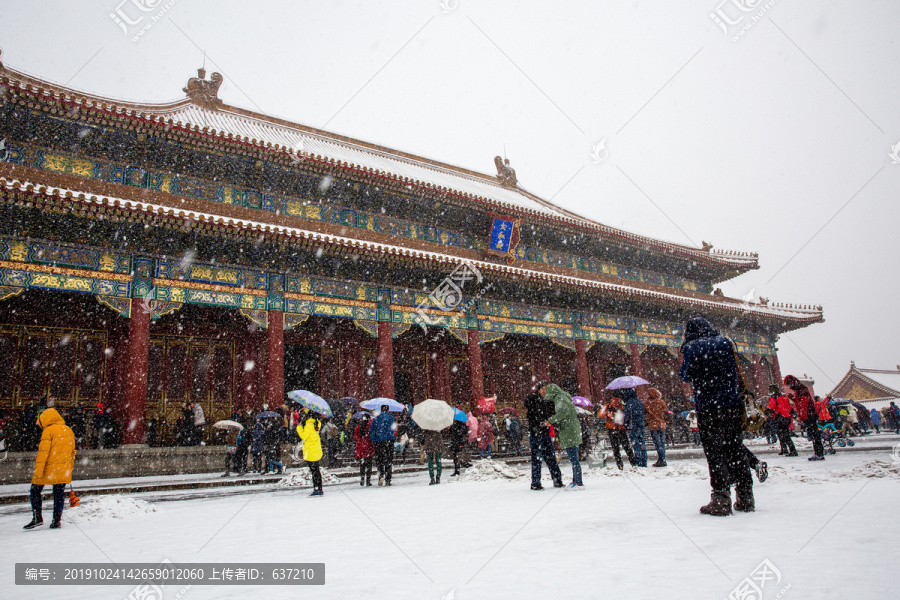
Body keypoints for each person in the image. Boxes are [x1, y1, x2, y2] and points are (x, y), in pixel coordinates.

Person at [679, 316, 754, 516]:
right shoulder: (726, 341)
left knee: (715, 452)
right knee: (736, 448)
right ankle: (746, 496)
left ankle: (721, 498)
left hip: (708, 407)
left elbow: (685, 375)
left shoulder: (691, 347)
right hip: (732, 404)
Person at [24, 408, 76, 530]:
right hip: (63, 468)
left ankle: (37, 517)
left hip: (48, 468)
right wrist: (70, 466)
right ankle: (56, 520)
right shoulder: (68, 430)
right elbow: (73, 452)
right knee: (59, 493)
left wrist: (38, 472)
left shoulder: (48, 431)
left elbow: (43, 454)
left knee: (35, 490)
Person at [524, 382, 563, 490]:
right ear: (539, 390)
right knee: (537, 458)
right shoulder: (533, 399)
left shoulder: (548, 401)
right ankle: (536, 482)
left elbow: (552, 413)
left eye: (546, 389)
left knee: (551, 457)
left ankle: (557, 480)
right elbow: (527, 404)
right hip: (535, 432)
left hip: (545, 432)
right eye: (543, 389)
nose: (545, 391)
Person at [545, 383, 584, 489]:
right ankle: (576, 480)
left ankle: (579, 482)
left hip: (568, 430)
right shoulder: (565, 396)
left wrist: (551, 420)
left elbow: (563, 412)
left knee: (573, 459)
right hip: (573, 429)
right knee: (574, 458)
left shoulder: (559, 398)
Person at [783, 375, 824, 461]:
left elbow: (804, 404)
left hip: (810, 415)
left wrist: (802, 416)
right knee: (814, 434)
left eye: (789, 384)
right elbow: (800, 402)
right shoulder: (799, 390)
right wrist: (792, 398)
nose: (789, 387)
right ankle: (818, 453)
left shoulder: (802, 390)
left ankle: (819, 453)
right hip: (809, 415)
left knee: (814, 435)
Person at [604, 394, 637, 470]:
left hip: (612, 428)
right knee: (626, 447)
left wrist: (607, 413)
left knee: (616, 448)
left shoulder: (609, 407)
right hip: (620, 428)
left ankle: (620, 464)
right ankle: (633, 463)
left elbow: (601, 414)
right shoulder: (621, 405)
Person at [296, 410, 324, 497]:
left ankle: (316, 488)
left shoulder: (309, 425)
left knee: (314, 471)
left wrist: (299, 428)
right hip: (316, 450)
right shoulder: (317, 423)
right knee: (317, 470)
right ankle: (319, 488)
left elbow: (304, 436)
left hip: (310, 451)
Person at [767, 385, 798, 456]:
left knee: (781, 434)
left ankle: (790, 450)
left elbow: (771, 407)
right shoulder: (784, 398)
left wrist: (767, 411)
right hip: (787, 417)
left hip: (779, 417)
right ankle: (786, 449)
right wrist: (793, 414)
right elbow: (790, 407)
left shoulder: (773, 398)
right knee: (785, 434)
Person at [370, 405, 396, 486]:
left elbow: (372, 430)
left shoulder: (376, 419)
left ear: (381, 410)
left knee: (380, 460)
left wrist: (374, 440)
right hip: (389, 440)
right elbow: (394, 429)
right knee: (388, 460)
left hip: (379, 441)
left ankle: (381, 475)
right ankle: (388, 479)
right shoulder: (392, 418)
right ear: (388, 409)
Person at [624, 388, 647, 467]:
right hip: (640, 425)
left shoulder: (628, 403)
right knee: (642, 445)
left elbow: (627, 416)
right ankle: (644, 461)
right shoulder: (640, 402)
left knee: (636, 445)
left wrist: (626, 424)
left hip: (632, 426)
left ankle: (638, 462)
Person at [645, 387, 668, 467]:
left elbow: (644, 411)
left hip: (653, 425)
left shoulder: (647, 403)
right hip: (661, 424)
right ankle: (662, 459)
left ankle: (662, 459)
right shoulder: (661, 401)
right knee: (662, 443)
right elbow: (666, 410)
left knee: (657, 443)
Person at [354, 414, 375, 486]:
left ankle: (362, 479)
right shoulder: (369, 427)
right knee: (369, 465)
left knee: (362, 465)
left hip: (361, 448)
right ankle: (368, 480)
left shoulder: (358, 427)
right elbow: (372, 435)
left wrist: (359, 440)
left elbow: (355, 437)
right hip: (368, 447)